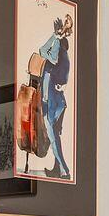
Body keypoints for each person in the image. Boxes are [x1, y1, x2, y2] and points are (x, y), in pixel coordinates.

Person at [39, 13, 73, 180]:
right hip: (60, 102)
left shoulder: (55, 55)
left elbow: (42, 50)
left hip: (52, 101)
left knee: (53, 137)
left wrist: (55, 36)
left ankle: (65, 170)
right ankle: (56, 169)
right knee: (56, 136)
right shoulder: (65, 58)